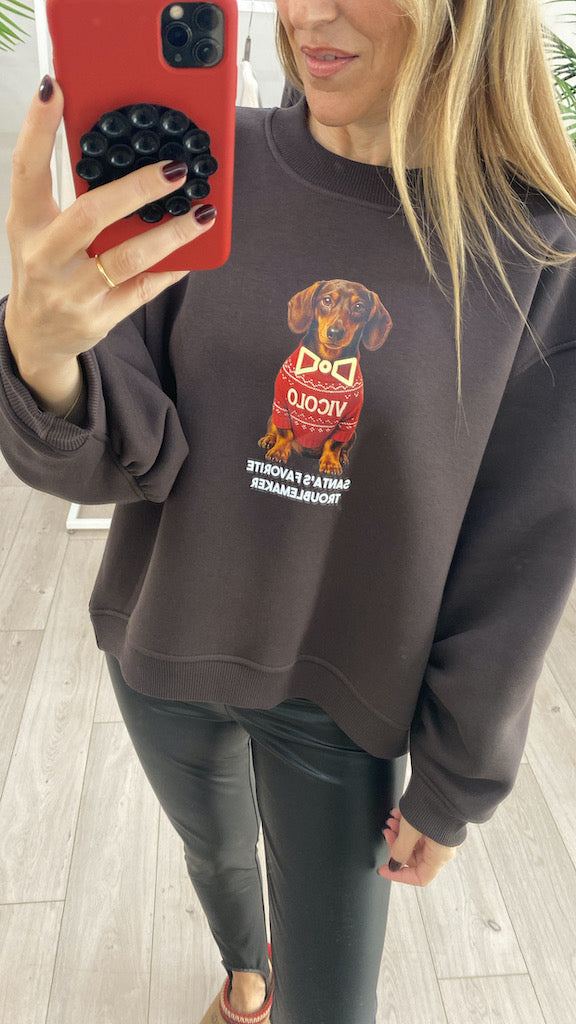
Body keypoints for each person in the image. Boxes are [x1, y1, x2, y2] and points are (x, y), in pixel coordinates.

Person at [2, 2, 576, 1022]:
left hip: (341, 698)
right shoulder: (202, 170)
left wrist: (457, 778)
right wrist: (42, 354)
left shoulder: (533, 250)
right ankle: (243, 975)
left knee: (334, 1000)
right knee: (216, 860)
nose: (310, 12)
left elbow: (520, 552)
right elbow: (121, 455)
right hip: (163, 645)